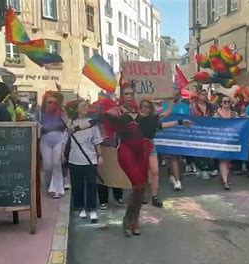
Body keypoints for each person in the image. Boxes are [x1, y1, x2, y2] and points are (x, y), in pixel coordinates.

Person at [100, 83, 192, 237]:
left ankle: (134, 220)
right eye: (126, 94)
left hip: (142, 152)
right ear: (122, 96)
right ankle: (129, 218)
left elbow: (160, 123)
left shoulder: (141, 112)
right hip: (126, 151)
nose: (129, 96)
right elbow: (98, 119)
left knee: (141, 188)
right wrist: (78, 125)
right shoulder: (116, 111)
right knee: (137, 186)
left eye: (131, 93)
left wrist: (180, 121)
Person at [65, 100, 103, 223]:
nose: (85, 107)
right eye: (82, 106)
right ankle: (80, 207)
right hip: (74, 159)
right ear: (76, 109)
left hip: (90, 159)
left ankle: (92, 208)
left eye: (86, 105)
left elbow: (97, 141)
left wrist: (100, 156)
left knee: (92, 184)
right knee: (77, 185)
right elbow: (64, 140)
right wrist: (61, 154)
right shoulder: (70, 123)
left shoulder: (92, 124)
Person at [139, 98, 176, 208]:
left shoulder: (153, 118)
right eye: (144, 106)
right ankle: (141, 195)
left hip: (150, 145)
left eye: (148, 106)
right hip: (139, 146)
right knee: (142, 172)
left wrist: (171, 100)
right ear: (140, 107)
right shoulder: (136, 118)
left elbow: (166, 115)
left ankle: (154, 197)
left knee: (155, 171)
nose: (146, 108)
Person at [40, 91, 66, 199]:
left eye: (54, 103)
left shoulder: (61, 112)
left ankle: (57, 188)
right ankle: (48, 186)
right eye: (49, 102)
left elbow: (67, 125)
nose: (52, 105)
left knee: (56, 163)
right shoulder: (40, 113)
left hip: (59, 138)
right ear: (45, 103)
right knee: (47, 166)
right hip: (45, 139)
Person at [190, 88, 217, 180]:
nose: (204, 96)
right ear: (198, 95)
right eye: (202, 94)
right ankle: (200, 168)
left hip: (209, 131)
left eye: (206, 94)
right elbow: (191, 118)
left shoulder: (212, 106)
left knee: (209, 150)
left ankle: (209, 168)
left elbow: (216, 116)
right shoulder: (193, 107)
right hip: (198, 131)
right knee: (198, 151)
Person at [214, 95, 237, 190]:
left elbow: (240, 124)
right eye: (224, 102)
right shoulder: (216, 114)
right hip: (221, 140)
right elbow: (213, 126)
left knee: (228, 161)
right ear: (221, 103)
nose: (227, 103)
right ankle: (225, 181)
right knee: (223, 160)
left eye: (228, 101)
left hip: (231, 140)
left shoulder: (234, 114)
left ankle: (225, 175)